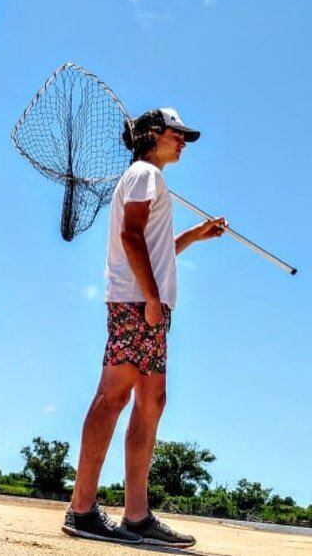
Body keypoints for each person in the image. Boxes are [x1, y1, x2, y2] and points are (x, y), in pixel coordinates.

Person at [61, 108, 226, 548]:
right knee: (113, 396)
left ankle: (137, 516)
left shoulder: (149, 179)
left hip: (148, 302)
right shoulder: (144, 175)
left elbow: (151, 246)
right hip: (138, 302)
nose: (184, 142)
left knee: (152, 400)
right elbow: (131, 239)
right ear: (154, 135)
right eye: (179, 134)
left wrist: (193, 236)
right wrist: (152, 299)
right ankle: (81, 509)